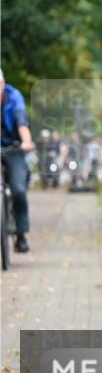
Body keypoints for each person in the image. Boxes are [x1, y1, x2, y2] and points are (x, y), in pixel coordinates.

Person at [0, 69, 34, 253]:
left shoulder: (14, 97)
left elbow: (21, 122)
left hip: (14, 147)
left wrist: (26, 140)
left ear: (3, 84)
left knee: (18, 190)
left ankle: (20, 235)